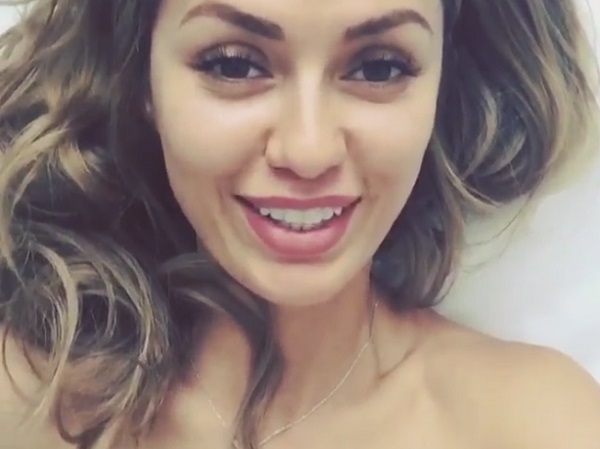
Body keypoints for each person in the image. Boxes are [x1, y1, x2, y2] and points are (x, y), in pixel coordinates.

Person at [1, 0, 599, 448]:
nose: (309, 151)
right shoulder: (25, 399)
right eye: (233, 65)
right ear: (142, 82)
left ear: (441, 86)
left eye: (380, 68)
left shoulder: (538, 422)